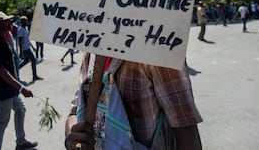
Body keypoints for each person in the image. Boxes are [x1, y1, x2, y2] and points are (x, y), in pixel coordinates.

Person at [64, 54, 203, 149]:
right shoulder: (90, 48)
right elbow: (76, 109)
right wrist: (74, 135)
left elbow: (186, 129)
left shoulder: (159, 51)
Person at [0, 11, 38, 150]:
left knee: (20, 109)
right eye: (6, 21)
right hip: (2, 91)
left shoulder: (4, 39)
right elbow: (1, 71)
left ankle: (21, 142)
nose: (9, 23)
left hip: (10, 89)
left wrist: (17, 86)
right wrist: (21, 88)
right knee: (0, 123)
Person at [18, 16, 42, 81]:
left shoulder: (25, 28)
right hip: (25, 49)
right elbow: (20, 42)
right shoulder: (20, 30)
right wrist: (20, 52)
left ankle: (16, 70)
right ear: (22, 22)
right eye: (25, 21)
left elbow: (27, 39)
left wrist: (33, 47)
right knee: (33, 60)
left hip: (28, 47)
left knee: (26, 61)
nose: (27, 22)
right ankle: (34, 76)